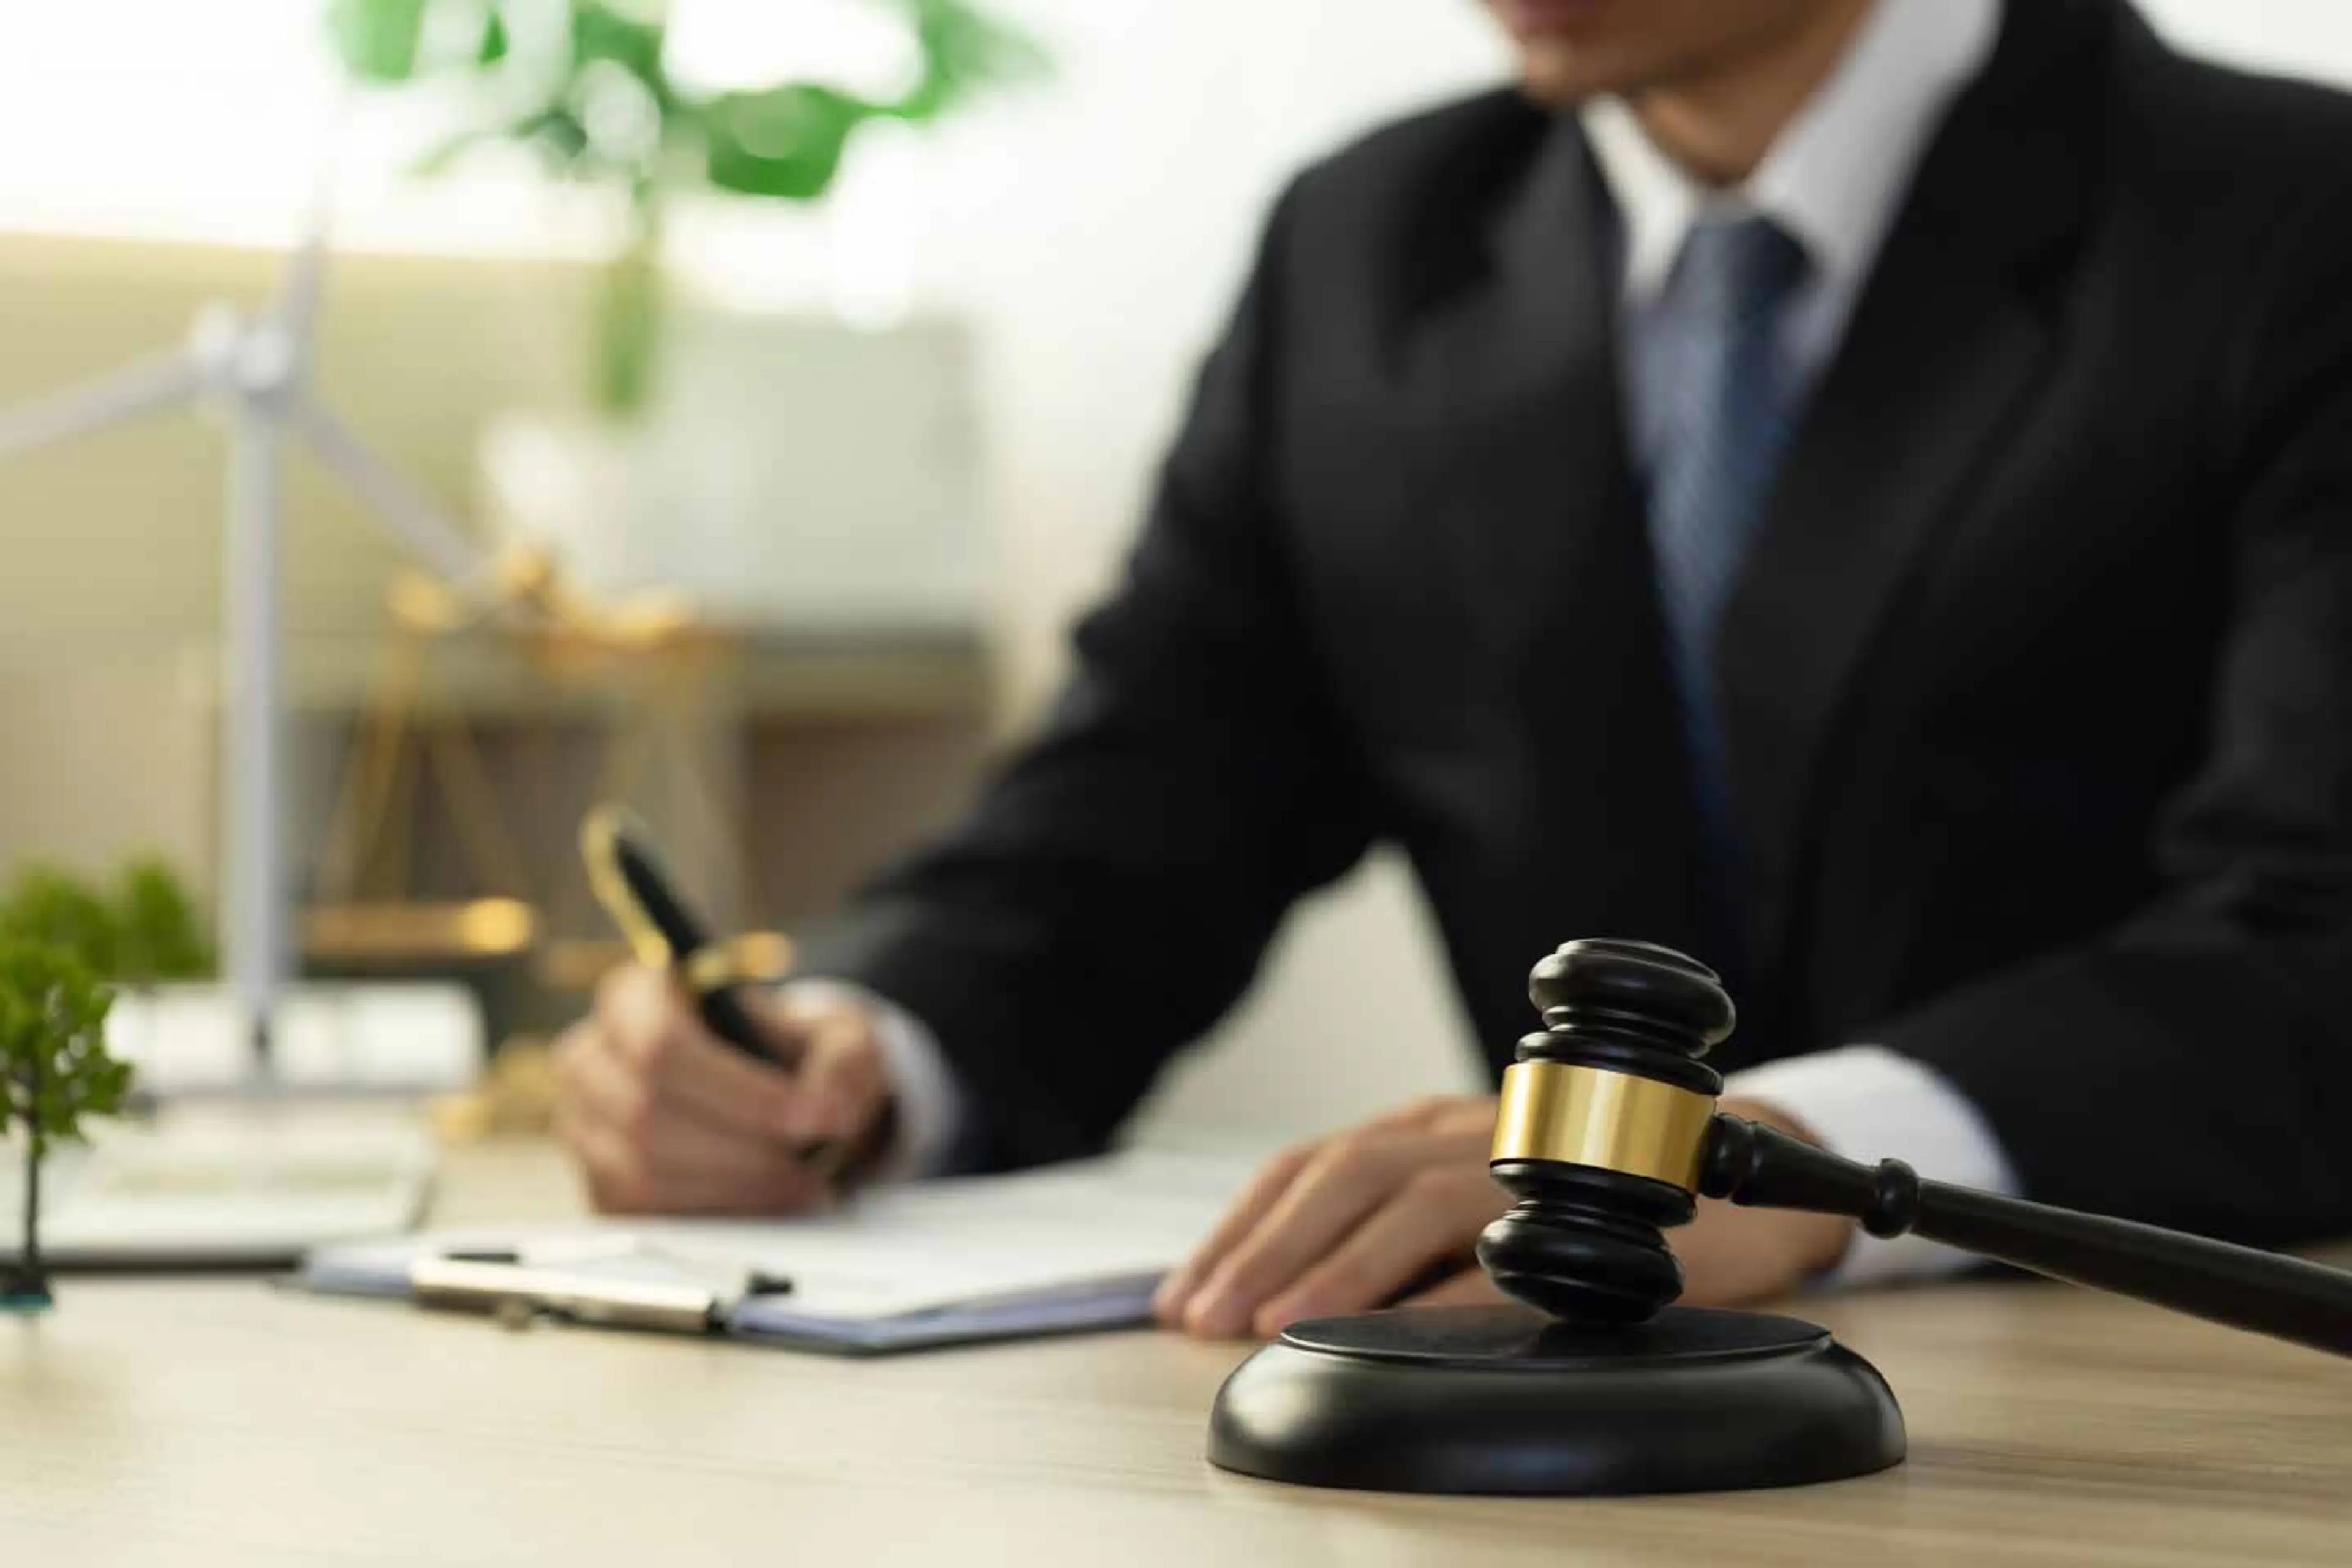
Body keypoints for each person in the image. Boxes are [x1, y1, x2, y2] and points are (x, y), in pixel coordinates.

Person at [552, 0, 2352, 1340]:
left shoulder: (2288, 223)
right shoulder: (1370, 248)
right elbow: (1137, 811)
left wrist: (1787, 1159)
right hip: (1536, 1430)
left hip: (2151, 1390)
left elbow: (2319, 941)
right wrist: (850, 1057)